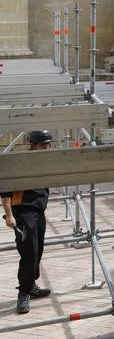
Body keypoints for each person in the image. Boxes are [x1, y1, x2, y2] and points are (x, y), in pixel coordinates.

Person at [1, 130, 53, 314]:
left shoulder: (46, 163)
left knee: (38, 250)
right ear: (32, 145)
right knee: (29, 253)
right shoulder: (21, 163)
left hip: (39, 212)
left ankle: (31, 286)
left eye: (47, 145)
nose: (45, 148)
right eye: (42, 145)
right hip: (23, 212)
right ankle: (23, 294)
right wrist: (9, 215)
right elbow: (6, 190)